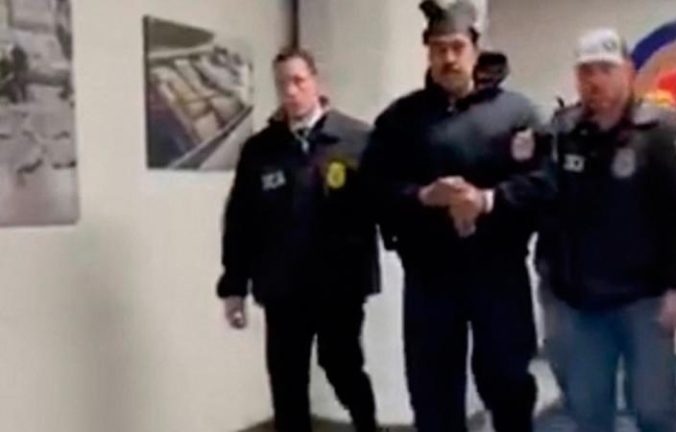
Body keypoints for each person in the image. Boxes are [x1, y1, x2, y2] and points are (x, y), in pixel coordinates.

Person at [361, 1, 554, 430]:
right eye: (438, 49)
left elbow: (544, 184)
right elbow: (373, 188)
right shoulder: (400, 121)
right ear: (427, 52)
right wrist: (421, 196)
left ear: (475, 49)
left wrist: (488, 200)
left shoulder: (517, 114)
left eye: (456, 47)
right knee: (432, 393)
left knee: (509, 385)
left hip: (499, 274)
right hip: (430, 279)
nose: (448, 58)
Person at [537, 28, 676, 432]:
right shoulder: (563, 131)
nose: (595, 81)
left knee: (653, 409)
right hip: (580, 300)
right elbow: (546, 201)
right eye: (586, 71)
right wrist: (549, 276)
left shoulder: (663, 130)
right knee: (588, 411)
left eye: (605, 70)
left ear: (628, 71)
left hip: (645, 298)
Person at [217, 47, 380, 432]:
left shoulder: (357, 139)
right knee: (286, 379)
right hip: (282, 286)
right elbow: (241, 220)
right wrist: (234, 286)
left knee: (341, 366)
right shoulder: (261, 149)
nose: (290, 92)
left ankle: (366, 424)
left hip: (340, 284)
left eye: (298, 81)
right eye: (282, 84)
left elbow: (386, 203)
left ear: (315, 81)